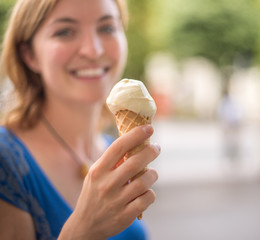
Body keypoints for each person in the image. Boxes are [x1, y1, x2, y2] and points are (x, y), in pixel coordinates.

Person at [0, 0, 160, 239]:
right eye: (65, 31)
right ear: (29, 54)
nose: (93, 50)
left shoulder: (112, 148)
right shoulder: (6, 161)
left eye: (107, 28)